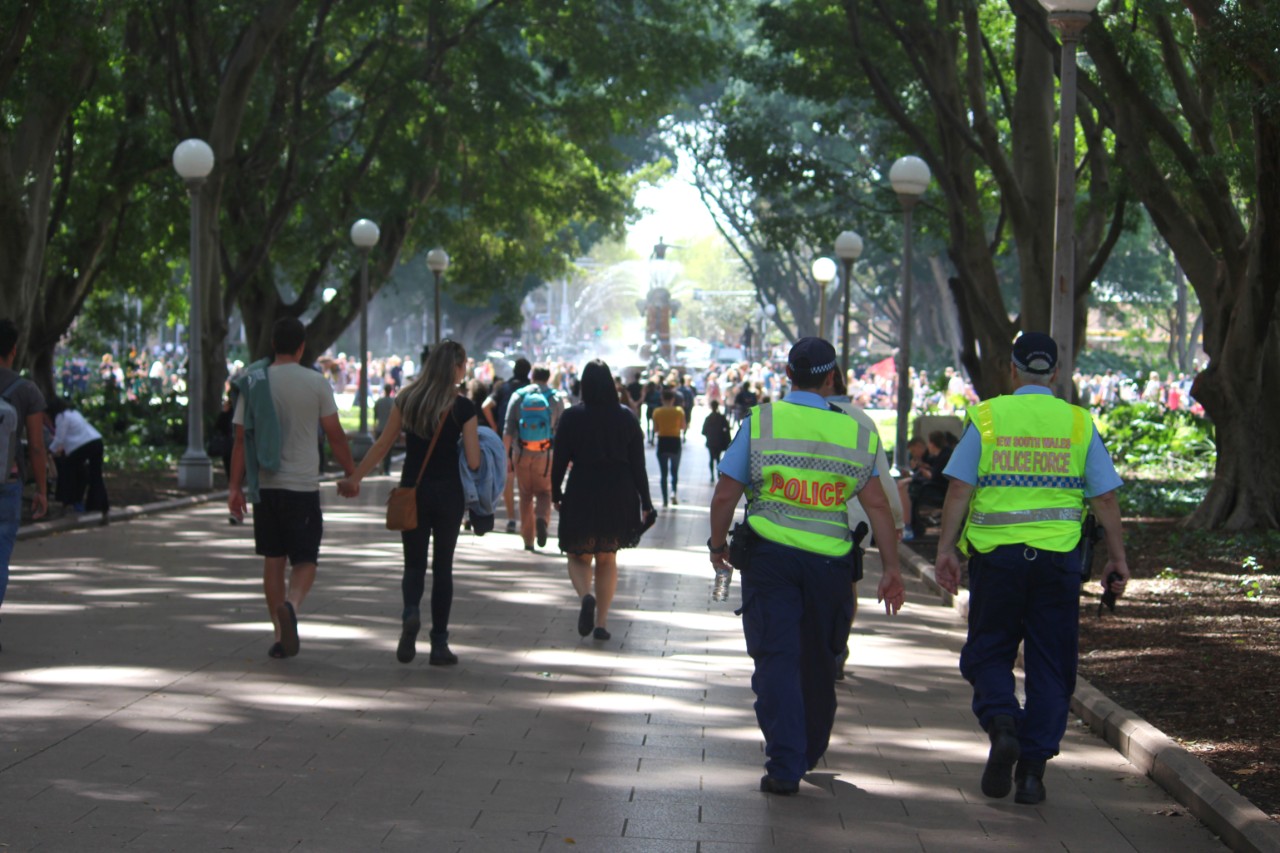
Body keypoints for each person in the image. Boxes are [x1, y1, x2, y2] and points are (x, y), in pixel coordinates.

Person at [933, 332, 1130, 806]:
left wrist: (945, 550)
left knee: (988, 652)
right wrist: (1118, 558)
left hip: (997, 560)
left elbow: (960, 488)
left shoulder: (989, 416)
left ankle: (1003, 724)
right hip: (1058, 566)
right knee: (1051, 666)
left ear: (1013, 370)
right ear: (1057, 373)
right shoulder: (1078, 423)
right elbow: (1103, 497)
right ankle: (1033, 773)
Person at [708, 337, 905, 795]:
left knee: (776, 657)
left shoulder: (761, 422)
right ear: (832, 377)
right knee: (819, 659)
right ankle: (809, 745)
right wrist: (892, 567)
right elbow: (877, 506)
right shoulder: (856, 433)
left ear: (788, 374)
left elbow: (725, 493)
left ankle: (784, 761)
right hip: (830, 564)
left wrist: (718, 545)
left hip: (770, 560)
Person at [338, 340, 481, 666]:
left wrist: (355, 477)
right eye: (463, 365)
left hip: (412, 491)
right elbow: (473, 461)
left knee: (413, 564)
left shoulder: (407, 399)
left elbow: (382, 445)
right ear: (456, 368)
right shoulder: (463, 408)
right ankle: (439, 645)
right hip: (449, 494)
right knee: (442, 568)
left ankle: (410, 612)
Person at [228, 317, 356, 660]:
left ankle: (280, 633)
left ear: (273, 345)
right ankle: (292, 605)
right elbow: (334, 433)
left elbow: (241, 439)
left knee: (273, 559)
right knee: (306, 558)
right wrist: (351, 471)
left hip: (266, 487)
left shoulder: (255, 382)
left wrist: (233, 488)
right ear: (301, 347)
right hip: (302, 487)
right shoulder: (315, 383)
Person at [551, 360, 655, 643]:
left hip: (582, 488)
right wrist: (646, 502)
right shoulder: (627, 417)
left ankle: (586, 596)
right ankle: (601, 623)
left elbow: (559, 460)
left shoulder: (572, 417)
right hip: (618, 492)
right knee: (608, 559)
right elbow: (638, 465)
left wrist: (555, 493)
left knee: (578, 554)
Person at [829, 368, 904, 681]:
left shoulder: (793, 415)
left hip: (803, 518)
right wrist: (895, 518)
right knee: (848, 586)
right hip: (853, 521)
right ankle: (837, 648)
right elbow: (881, 476)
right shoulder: (861, 419)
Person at [0, 319, 48, 651]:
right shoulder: (26, 390)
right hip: (8, 484)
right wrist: (42, 490)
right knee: (0, 556)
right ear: (14, 349)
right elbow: (36, 446)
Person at [504, 365, 564, 552]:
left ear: (532, 376)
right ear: (548, 378)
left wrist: (505, 457)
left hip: (521, 453)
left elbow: (508, 429)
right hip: (546, 455)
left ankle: (528, 540)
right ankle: (541, 520)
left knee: (525, 495)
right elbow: (562, 431)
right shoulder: (556, 398)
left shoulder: (518, 396)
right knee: (545, 493)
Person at [483, 358, 530, 533]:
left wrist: (495, 426)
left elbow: (485, 406)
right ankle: (528, 521)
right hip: (529, 442)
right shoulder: (531, 390)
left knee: (508, 482)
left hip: (506, 441)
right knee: (526, 486)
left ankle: (511, 519)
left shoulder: (503, 388)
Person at [45, 398, 109, 518]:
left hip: (82, 445)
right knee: (95, 475)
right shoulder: (73, 413)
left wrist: (48, 451)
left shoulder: (61, 417)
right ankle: (100, 506)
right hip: (96, 441)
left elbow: (59, 439)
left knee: (67, 472)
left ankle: (67, 501)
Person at [904, 431, 955, 540]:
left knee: (912, 492)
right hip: (939, 487)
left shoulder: (944, 456)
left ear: (932, 444)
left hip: (939, 489)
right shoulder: (943, 454)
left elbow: (935, 476)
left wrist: (921, 470)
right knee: (912, 490)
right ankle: (912, 525)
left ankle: (912, 525)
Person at [652, 387, 686, 507]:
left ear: (662, 399)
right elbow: (683, 427)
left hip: (662, 442)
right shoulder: (679, 411)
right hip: (675, 442)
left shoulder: (657, 411)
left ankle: (665, 499)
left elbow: (655, 429)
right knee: (674, 471)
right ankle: (674, 493)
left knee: (663, 473)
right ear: (673, 399)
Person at [701, 399, 732, 482]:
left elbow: (703, 431)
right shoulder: (722, 418)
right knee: (718, 458)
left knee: (711, 458)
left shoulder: (708, 418)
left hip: (711, 441)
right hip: (719, 441)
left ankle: (712, 476)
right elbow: (727, 428)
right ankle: (718, 473)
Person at [373, 382, 397, 476]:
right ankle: (386, 469)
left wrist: (374, 427)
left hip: (380, 428)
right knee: (388, 450)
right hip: (390, 429)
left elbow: (375, 416)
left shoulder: (379, 401)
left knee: (379, 449)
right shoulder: (393, 402)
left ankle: (380, 467)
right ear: (390, 391)